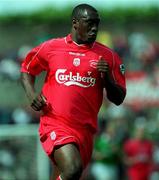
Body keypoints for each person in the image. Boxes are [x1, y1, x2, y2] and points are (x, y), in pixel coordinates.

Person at [20, 3, 126, 180]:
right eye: (89, 23)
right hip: (55, 122)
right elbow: (27, 70)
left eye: (97, 24)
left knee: (67, 175)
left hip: (85, 130)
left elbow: (119, 98)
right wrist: (32, 95)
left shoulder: (108, 57)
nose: (94, 28)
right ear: (75, 22)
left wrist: (107, 76)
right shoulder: (52, 47)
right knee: (72, 169)